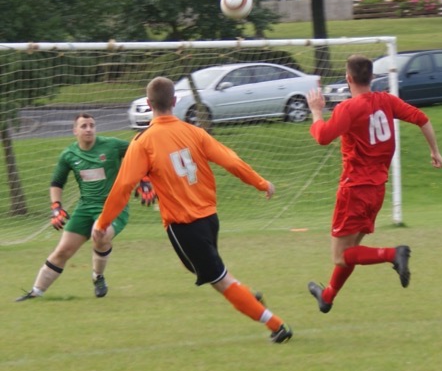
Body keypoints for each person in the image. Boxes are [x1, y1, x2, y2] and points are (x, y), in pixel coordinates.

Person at [92, 76, 292, 344]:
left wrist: (103, 222)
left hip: (184, 225)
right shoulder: (195, 132)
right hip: (210, 218)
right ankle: (245, 296)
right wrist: (259, 181)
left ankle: (276, 325)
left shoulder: (143, 142)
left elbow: (124, 186)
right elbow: (230, 160)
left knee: (219, 280)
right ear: (174, 101)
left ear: (149, 104)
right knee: (201, 268)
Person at [304, 54, 442, 314]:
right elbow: (422, 118)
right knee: (352, 251)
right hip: (377, 189)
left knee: (340, 256)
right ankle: (327, 296)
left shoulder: (348, 108)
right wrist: (435, 151)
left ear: (348, 79)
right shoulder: (386, 101)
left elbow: (322, 136)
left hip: (354, 189)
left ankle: (394, 254)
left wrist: (315, 111)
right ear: (372, 77)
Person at [15, 113, 156, 301]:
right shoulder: (69, 155)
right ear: (75, 131)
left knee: (101, 233)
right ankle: (35, 292)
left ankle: (97, 276)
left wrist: (145, 180)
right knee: (63, 250)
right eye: (84, 126)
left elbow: (142, 155)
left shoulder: (112, 145)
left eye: (92, 125)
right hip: (85, 208)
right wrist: (56, 206)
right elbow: (57, 182)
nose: (89, 129)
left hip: (114, 207)